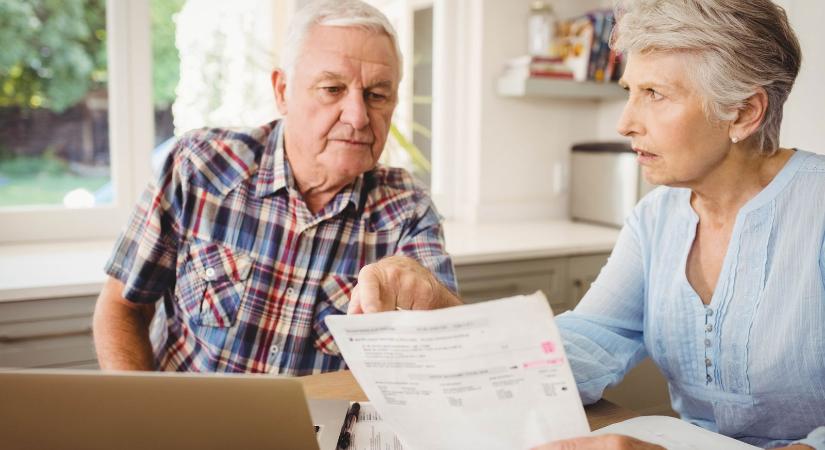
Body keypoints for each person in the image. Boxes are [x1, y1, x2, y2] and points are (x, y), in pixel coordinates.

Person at [351, 0, 825, 448]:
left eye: (654, 94)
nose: (625, 123)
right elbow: (579, 346)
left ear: (743, 112)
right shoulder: (655, 220)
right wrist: (447, 317)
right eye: (630, 92)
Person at [92, 0, 458, 375]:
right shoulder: (198, 165)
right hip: (185, 425)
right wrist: (139, 420)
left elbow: (451, 342)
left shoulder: (407, 208)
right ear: (283, 91)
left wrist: (425, 290)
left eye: (377, 95)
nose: (358, 116)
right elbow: (123, 307)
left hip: (319, 431)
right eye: (332, 89)